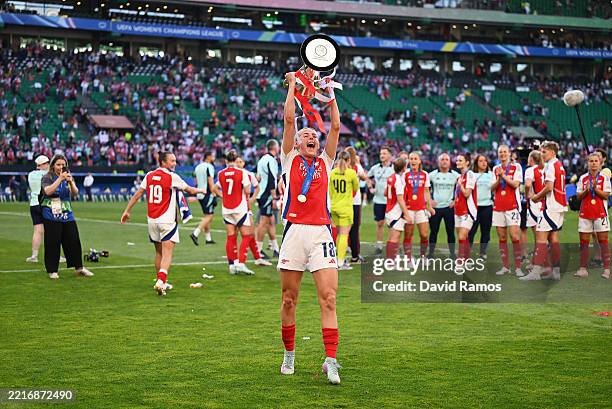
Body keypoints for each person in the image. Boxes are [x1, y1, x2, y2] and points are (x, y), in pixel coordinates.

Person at [278, 71, 342, 384]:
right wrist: (293, 85)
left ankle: (331, 360)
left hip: (320, 233)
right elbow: (290, 120)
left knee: (328, 298)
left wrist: (330, 94)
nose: (310, 137)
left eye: (312, 136)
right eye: (305, 136)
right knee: (289, 299)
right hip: (294, 232)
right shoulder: (289, 158)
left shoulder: (326, 161)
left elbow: (337, 126)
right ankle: (289, 354)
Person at [121, 152, 205, 295]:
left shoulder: (149, 175)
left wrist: (126, 211)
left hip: (152, 220)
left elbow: (138, 194)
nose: (175, 163)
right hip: (166, 220)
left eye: (175, 161)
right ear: (163, 162)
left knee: (158, 252)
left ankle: (161, 281)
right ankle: (161, 281)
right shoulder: (172, 177)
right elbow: (189, 190)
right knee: (167, 253)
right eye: (172, 161)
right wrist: (202, 190)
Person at [40, 154, 94, 279]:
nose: (61, 167)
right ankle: (52, 270)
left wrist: (70, 182)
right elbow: (47, 191)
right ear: (53, 165)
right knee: (53, 242)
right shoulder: (47, 177)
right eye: (58, 164)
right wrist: (60, 179)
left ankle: (79, 267)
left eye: (63, 165)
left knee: (73, 240)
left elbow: (75, 194)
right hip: (51, 214)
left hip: (67, 213)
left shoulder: (68, 175)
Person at [521, 141, 567, 281]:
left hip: (550, 207)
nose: (542, 154)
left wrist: (536, 197)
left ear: (552, 152)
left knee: (540, 239)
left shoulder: (551, 166)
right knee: (553, 239)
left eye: (544, 152)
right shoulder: (560, 165)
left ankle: (536, 273)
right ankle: (556, 272)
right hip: (560, 206)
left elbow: (549, 187)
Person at [213, 150, 257, 275]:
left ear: (226, 161)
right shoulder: (242, 172)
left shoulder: (221, 173)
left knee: (231, 236)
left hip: (226, 208)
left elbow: (215, 188)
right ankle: (241, 263)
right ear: (236, 159)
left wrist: (223, 196)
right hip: (240, 207)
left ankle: (232, 265)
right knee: (247, 235)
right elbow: (248, 190)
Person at [574, 153, 610, 278]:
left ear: (600, 164)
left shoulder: (604, 178)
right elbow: (578, 196)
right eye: (591, 161)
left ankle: (606, 269)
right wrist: (586, 190)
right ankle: (583, 269)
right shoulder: (583, 178)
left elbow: (606, 195)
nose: (593, 163)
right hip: (585, 213)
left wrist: (596, 189)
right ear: (587, 163)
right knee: (584, 241)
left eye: (596, 161)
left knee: (603, 241)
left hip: (600, 213)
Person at [491, 145, 524, 277]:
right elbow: (492, 188)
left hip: (512, 207)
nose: (503, 154)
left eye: (505, 152)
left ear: (509, 153)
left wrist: (503, 176)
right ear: (498, 154)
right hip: (498, 206)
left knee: (515, 237)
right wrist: (499, 179)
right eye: (500, 152)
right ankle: (505, 266)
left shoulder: (516, 167)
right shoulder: (494, 169)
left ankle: (518, 267)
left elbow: (516, 184)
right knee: (502, 238)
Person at [235, 155, 272, 267]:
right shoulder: (232, 174)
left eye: (240, 161)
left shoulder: (248, 174)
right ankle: (238, 261)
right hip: (233, 209)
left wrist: (252, 199)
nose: (238, 163)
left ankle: (256, 258)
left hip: (244, 208)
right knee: (241, 234)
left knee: (249, 233)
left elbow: (257, 187)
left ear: (244, 163)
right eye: (236, 161)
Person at [329, 151, 359, 270]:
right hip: (345, 207)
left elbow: (330, 191)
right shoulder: (351, 173)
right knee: (344, 235)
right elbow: (355, 188)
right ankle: (340, 262)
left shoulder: (333, 172)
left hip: (334, 206)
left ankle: (335, 258)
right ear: (348, 161)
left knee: (337, 235)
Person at [403, 152, 435, 259]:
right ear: (408, 161)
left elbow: (427, 192)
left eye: (415, 158)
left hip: (421, 208)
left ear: (419, 161)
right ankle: (408, 258)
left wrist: (429, 206)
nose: (413, 161)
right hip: (409, 209)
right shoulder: (405, 174)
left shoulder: (425, 174)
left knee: (424, 234)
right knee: (408, 234)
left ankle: (423, 256)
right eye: (411, 159)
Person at [428, 153, 459, 257]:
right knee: (433, 232)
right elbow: (424, 190)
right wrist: (429, 200)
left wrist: (456, 201)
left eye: (446, 159)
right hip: (435, 208)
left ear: (450, 162)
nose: (444, 161)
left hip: (449, 208)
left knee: (450, 232)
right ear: (438, 161)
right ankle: (430, 254)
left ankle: (452, 254)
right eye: (442, 159)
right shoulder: (431, 175)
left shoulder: (455, 175)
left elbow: (462, 189)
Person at [256, 139, 280, 259]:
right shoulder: (271, 160)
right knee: (263, 222)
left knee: (271, 221)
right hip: (267, 195)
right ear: (275, 148)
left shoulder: (262, 159)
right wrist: (274, 197)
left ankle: (276, 249)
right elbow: (271, 178)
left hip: (262, 193)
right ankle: (258, 250)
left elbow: (258, 176)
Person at [367, 147, 394, 255]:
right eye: (381, 153)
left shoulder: (394, 168)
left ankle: (391, 245)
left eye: (384, 153)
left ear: (390, 156)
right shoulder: (375, 168)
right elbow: (367, 178)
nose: (382, 155)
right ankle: (379, 245)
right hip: (378, 200)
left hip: (391, 201)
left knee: (391, 224)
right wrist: (370, 188)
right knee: (379, 223)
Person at [344, 147, 368, 263]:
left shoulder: (339, 168)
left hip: (342, 201)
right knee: (354, 229)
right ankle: (355, 255)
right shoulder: (356, 168)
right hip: (355, 202)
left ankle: (340, 256)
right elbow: (364, 177)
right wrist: (358, 164)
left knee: (342, 230)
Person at [468, 154, 494, 258]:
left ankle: (483, 253)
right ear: (476, 163)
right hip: (474, 207)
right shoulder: (471, 175)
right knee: (471, 231)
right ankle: (467, 253)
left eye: (485, 161)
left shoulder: (491, 175)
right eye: (481, 161)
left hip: (487, 206)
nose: (484, 163)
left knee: (485, 231)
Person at [522, 150, 545, 263]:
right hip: (546, 203)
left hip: (535, 203)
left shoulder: (530, 170)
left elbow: (527, 184)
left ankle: (538, 263)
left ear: (531, 159)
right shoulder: (545, 169)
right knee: (543, 234)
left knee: (538, 235)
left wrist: (527, 194)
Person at [190, 151, 217, 245]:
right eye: (212, 156)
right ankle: (195, 233)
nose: (214, 158)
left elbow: (195, 180)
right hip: (207, 193)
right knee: (209, 216)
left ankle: (208, 238)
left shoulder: (198, 167)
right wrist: (214, 192)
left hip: (200, 193)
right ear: (208, 157)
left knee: (207, 215)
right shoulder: (209, 166)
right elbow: (210, 180)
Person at [454, 154, 477, 260]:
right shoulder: (460, 177)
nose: (457, 162)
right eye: (457, 160)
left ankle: (460, 262)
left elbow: (467, 193)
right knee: (464, 237)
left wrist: (460, 185)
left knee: (461, 237)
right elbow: (458, 195)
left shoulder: (470, 175)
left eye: (460, 160)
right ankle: (467, 260)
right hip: (458, 211)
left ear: (467, 162)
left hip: (468, 211)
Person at [385, 157, 409, 259]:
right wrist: (407, 214)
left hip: (389, 210)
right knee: (395, 238)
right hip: (396, 212)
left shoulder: (391, 177)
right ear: (404, 168)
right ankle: (391, 261)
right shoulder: (398, 180)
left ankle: (390, 259)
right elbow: (400, 199)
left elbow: (385, 193)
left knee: (391, 238)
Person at [26, 155, 49, 263]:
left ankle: (34, 256)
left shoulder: (31, 174)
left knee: (37, 231)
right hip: (45, 204)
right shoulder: (47, 174)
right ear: (42, 165)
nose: (49, 165)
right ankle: (56, 256)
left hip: (34, 204)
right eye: (47, 163)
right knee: (52, 231)